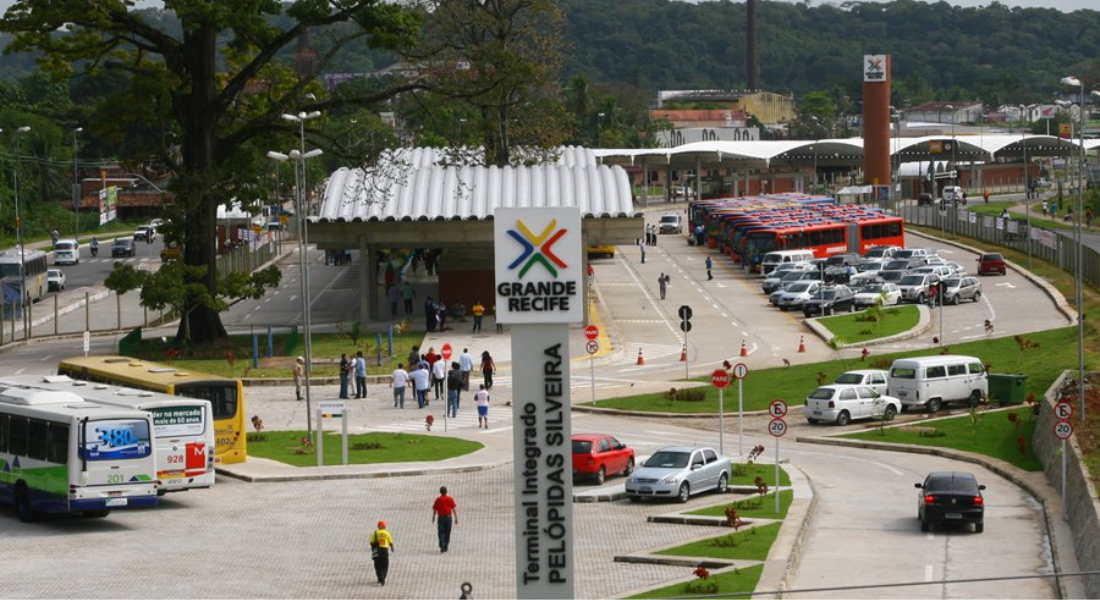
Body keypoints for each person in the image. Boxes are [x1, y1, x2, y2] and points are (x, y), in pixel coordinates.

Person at [431, 486, 458, 553]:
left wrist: (433, 517)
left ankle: (442, 545)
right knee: (447, 532)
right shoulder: (450, 499)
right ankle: (445, 545)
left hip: (441, 518)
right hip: (448, 517)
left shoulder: (438, 499)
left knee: (441, 532)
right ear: (446, 491)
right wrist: (456, 518)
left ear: (440, 492)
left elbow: (435, 509)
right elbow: (453, 509)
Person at [369, 521, 395, 585]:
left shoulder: (375, 533)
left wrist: (373, 548)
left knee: (377, 565)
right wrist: (392, 548)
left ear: (378, 526)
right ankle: (383, 576)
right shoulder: (387, 533)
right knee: (385, 564)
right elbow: (390, 543)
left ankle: (380, 577)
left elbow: (371, 542)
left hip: (377, 551)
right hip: (384, 550)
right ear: (384, 526)